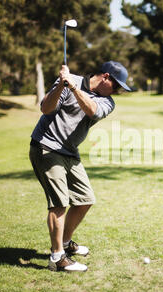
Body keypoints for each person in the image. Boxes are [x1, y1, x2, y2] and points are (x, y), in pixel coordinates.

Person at [29, 61, 132, 272]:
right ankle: (57, 259)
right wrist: (61, 86)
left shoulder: (107, 101)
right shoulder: (68, 81)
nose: (118, 91)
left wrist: (73, 88)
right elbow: (45, 109)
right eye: (117, 86)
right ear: (105, 77)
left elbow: (92, 111)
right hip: (46, 147)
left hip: (69, 152)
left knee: (85, 199)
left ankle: (65, 243)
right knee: (59, 203)